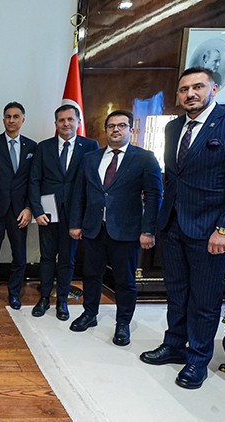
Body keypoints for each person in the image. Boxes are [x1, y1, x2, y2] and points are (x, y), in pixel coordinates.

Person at [140, 66, 225, 389]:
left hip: (212, 230)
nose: (190, 94)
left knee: (204, 299)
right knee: (177, 292)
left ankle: (198, 358)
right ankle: (174, 344)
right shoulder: (173, 128)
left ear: (214, 89)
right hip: (173, 225)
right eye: (184, 89)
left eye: (198, 87)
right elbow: (173, 177)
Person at [68, 110, 162, 346]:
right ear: (106, 130)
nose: (116, 129)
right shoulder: (90, 158)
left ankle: (123, 323)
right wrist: (75, 223)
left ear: (131, 129)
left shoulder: (145, 158)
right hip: (94, 229)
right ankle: (90, 314)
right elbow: (79, 194)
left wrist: (148, 230)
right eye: (111, 126)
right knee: (91, 275)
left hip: (127, 232)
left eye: (121, 125)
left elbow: (154, 196)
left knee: (124, 280)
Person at [28, 105, 98, 320]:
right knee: (47, 256)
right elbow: (34, 180)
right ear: (56, 123)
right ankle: (44, 298)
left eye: (70, 119)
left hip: (75, 213)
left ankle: (62, 301)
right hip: (47, 212)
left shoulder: (90, 146)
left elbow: (92, 182)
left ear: (78, 122)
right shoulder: (43, 147)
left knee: (67, 258)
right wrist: (37, 210)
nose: (66, 123)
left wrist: (84, 217)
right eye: (61, 120)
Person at [0, 102, 37, 309]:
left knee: (19, 256)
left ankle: (14, 294)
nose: (11, 120)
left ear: (23, 120)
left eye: (16, 117)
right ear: (3, 119)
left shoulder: (32, 146)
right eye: (8, 116)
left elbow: (34, 181)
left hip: (20, 211)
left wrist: (29, 208)